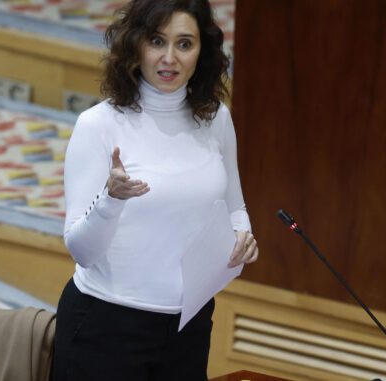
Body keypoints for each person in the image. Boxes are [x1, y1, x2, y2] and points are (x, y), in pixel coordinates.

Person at [53, 0, 259, 380]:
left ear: (203, 51)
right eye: (156, 41)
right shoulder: (98, 124)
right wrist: (110, 201)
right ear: (135, 46)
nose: (170, 58)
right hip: (106, 325)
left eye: (184, 44)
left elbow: (234, 205)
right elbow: (81, 251)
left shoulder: (215, 118)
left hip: (189, 324)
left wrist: (243, 236)